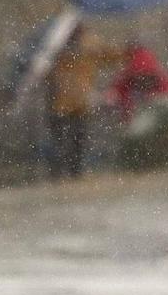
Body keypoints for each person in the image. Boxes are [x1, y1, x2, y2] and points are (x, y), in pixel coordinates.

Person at [40, 22, 126, 179]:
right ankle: (69, 171)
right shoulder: (79, 43)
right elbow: (111, 56)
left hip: (68, 100)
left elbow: (110, 56)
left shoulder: (55, 43)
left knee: (69, 136)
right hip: (68, 99)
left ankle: (67, 171)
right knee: (72, 136)